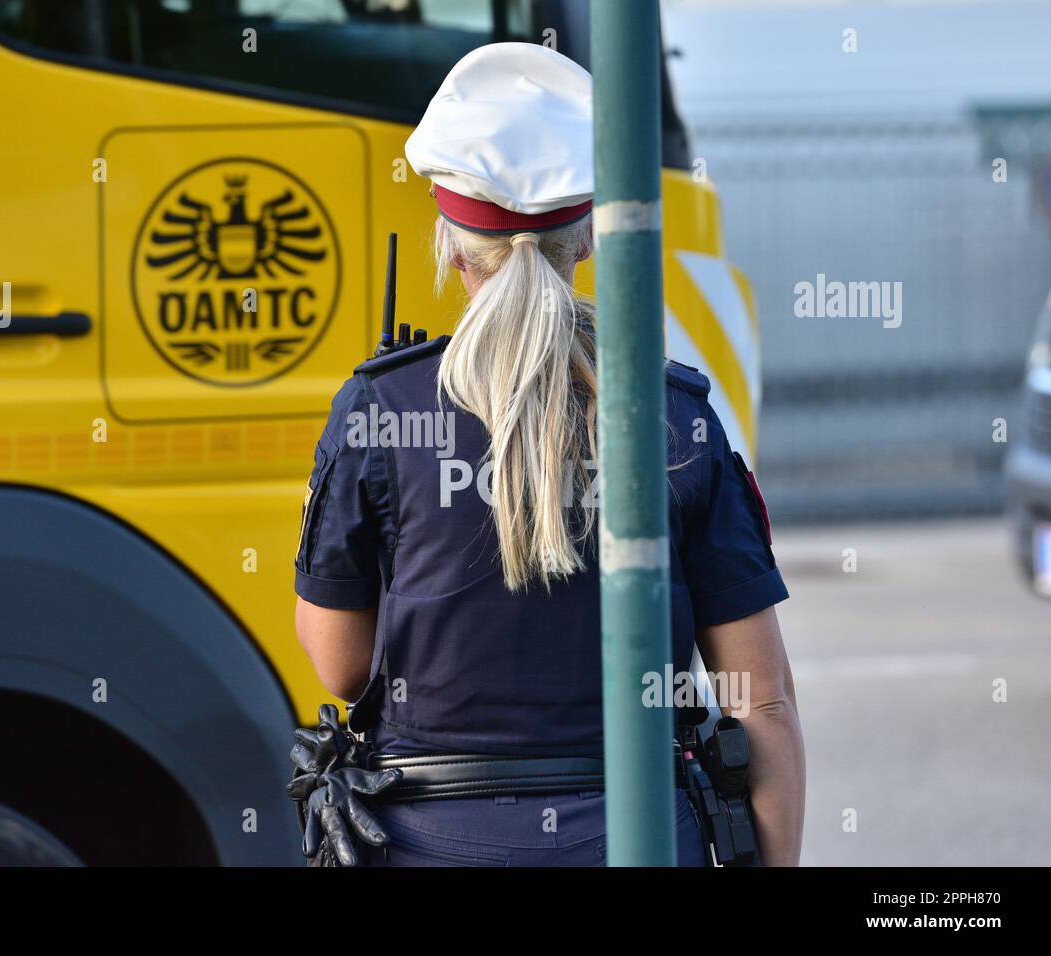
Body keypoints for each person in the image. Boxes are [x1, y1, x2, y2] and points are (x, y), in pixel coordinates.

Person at [292, 42, 805, 866]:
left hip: (428, 842)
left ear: (451, 243)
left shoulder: (378, 412)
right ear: (589, 239)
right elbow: (762, 704)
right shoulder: (677, 419)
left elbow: (341, 668)